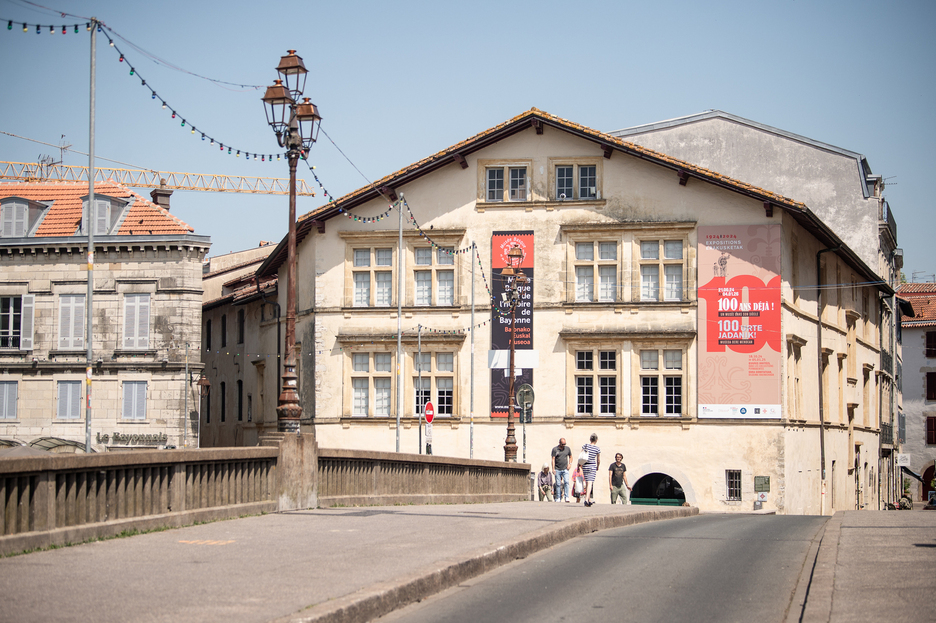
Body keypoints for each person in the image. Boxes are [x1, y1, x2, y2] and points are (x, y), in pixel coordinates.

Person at [580, 433, 600, 507]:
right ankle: (586, 500)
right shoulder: (597, 449)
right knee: (590, 483)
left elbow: (581, 455)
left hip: (585, 465)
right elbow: (598, 460)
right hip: (592, 466)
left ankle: (589, 500)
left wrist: (579, 465)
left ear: (590, 439)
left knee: (587, 482)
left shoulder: (585, 446)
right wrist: (598, 466)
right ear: (596, 440)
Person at [550, 437, 573, 502]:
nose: (563, 446)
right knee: (558, 483)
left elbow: (571, 456)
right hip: (557, 469)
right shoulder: (555, 449)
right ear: (559, 443)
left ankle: (567, 497)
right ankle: (558, 497)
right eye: (562, 444)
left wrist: (570, 464)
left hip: (565, 468)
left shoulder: (567, 449)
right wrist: (553, 469)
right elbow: (553, 459)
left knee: (566, 482)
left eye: (564, 444)